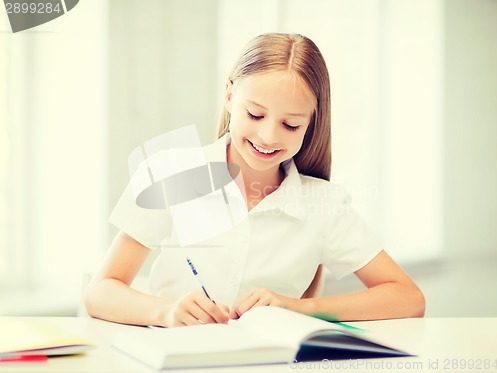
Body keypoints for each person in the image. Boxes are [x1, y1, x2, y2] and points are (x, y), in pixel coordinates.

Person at [84, 33, 425, 327]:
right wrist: (164, 311)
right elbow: (101, 291)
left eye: (290, 125)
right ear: (230, 95)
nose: (267, 136)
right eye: (255, 114)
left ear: (311, 124)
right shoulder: (171, 173)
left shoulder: (323, 205)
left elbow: (408, 298)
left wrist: (300, 309)